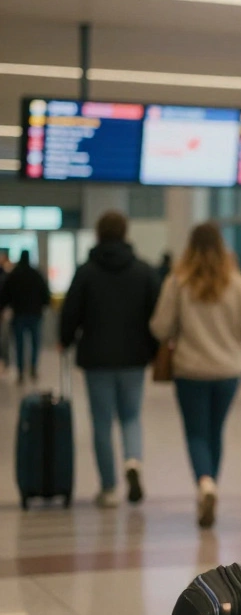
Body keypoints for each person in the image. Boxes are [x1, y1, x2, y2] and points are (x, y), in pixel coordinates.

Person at [150, 224, 241, 528]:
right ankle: (211, 484)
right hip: (228, 371)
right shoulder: (235, 282)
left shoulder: (178, 282)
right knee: (215, 431)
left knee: (196, 433)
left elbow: (160, 327)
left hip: (190, 370)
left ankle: (205, 483)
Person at [59, 211, 161, 508]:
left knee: (102, 423)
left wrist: (65, 339)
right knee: (130, 417)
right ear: (125, 232)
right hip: (133, 358)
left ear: (99, 234)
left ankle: (108, 488)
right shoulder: (143, 270)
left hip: (97, 359)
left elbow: (71, 312)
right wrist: (153, 350)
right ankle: (132, 461)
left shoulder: (86, 271)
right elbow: (155, 315)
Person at [0, 251, 51, 385]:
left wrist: (3, 308)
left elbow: (5, 294)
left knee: (19, 344)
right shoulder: (36, 275)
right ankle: (33, 367)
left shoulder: (14, 275)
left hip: (19, 315)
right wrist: (43, 305)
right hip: (35, 314)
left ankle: (21, 370)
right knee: (35, 343)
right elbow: (46, 294)